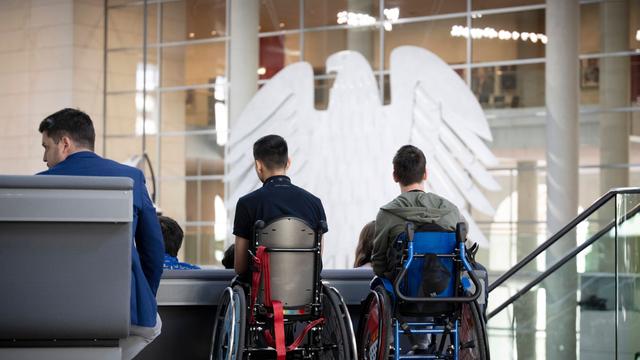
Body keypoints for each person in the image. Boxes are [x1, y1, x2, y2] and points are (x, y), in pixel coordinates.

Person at [38, 108, 164, 360]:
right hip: (125, 312)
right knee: (149, 328)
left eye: (46, 146)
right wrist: (142, 296)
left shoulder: (39, 185)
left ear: (64, 144)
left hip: (54, 315)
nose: (44, 158)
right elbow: (153, 251)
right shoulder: (132, 178)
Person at [232, 134, 328, 276]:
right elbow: (316, 261)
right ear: (288, 162)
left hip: (262, 295)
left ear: (258, 165)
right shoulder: (315, 203)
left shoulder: (247, 204)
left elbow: (240, 267)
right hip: (304, 294)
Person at [371, 144, 467, 279]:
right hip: (447, 291)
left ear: (395, 176)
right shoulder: (451, 211)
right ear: (425, 174)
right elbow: (463, 257)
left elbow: (379, 265)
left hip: (402, 293)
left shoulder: (387, 214)